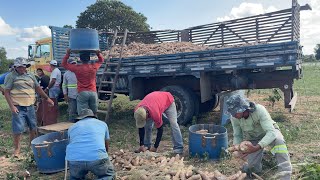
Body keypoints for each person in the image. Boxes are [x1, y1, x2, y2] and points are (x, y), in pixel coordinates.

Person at [226, 94, 292, 180]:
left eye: (235, 112)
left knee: (279, 142)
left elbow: (271, 132)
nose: (233, 115)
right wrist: (238, 147)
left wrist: (257, 147)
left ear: (243, 109)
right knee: (252, 168)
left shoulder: (259, 110)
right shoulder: (234, 117)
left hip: (269, 133)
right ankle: (259, 161)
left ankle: (285, 175)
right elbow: (238, 135)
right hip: (253, 138)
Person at [3, 57, 54, 157]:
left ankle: (31, 146)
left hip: (30, 106)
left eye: (24, 66)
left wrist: (47, 99)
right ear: (16, 67)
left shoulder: (31, 75)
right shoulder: (11, 76)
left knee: (33, 127)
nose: (22, 69)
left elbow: (38, 88)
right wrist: (12, 107)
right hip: (18, 106)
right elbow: (6, 92)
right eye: (20, 67)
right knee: (18, 129)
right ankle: (17, 150)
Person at [66, 108, 115, 180]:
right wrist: (103, 158)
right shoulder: (102, 124)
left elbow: (72, 143)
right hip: (97, 158)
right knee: (108, 175)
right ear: (93, 116)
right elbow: (106, 144)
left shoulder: (71, 127)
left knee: (75, 177)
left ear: (80, 118)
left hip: (75, 160)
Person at [62, 48, 104, 115]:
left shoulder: (77, 68)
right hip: (93, 92)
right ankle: (94, 123)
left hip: (82, 92)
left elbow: (64, 64)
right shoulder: (94, 67)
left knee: (82, 113)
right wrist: (98, 53)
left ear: (80, 59)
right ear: (89, 59)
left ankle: (84, 123)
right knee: (94, 112)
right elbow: (101, 61)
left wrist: (68, 54)